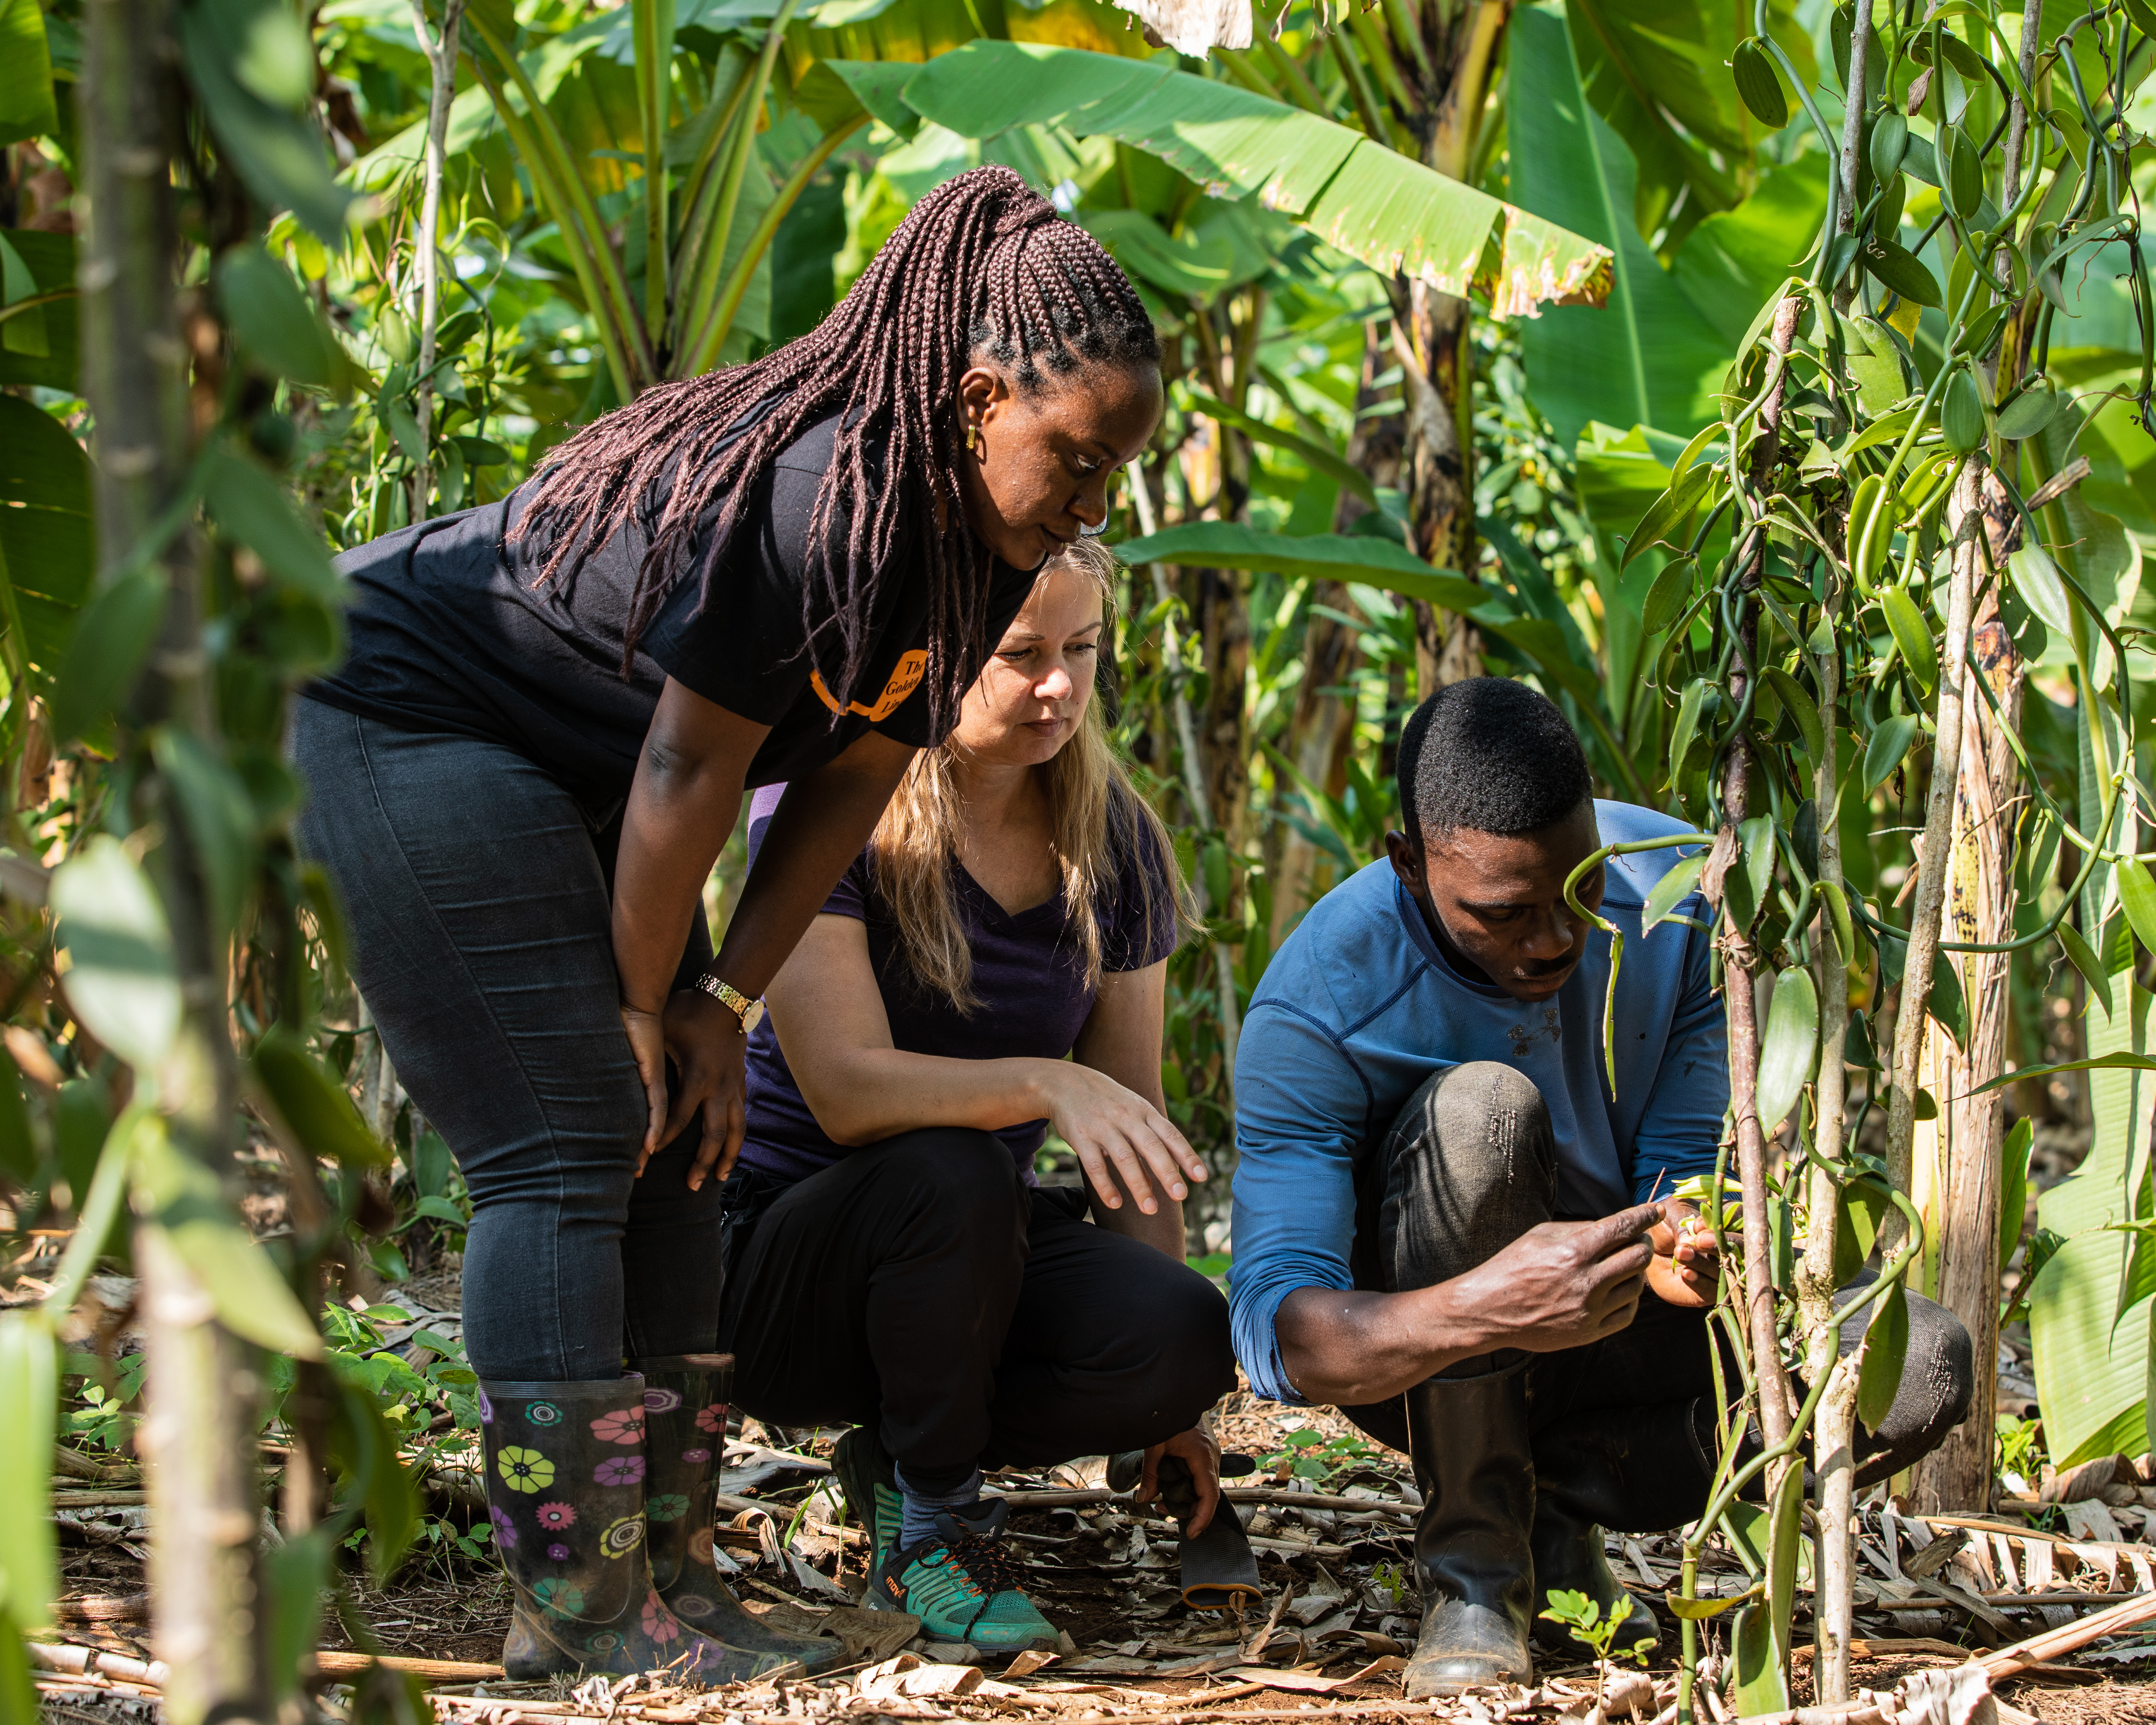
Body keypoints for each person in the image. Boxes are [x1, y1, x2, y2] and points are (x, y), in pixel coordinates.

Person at [290, 166, 1165, 1681]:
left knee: (684, 1139)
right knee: (571, 1133)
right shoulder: (829, 495)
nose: (1088, 508)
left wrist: (719, 1010)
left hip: (584, 762)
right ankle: (578, 1612)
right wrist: (645, 1011)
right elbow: (696, 768)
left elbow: (847, 779)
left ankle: (674, 1578)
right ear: (972, 401)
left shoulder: (963, 551)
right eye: (1072, 462)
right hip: (398, 705)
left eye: (1109, 482)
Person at [1227, 678, 1975, 1698]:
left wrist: (1689, 1246)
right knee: (1479, 1114)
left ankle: (1556, 1508)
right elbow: (1280, 1336)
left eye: (1581, 891)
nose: (1553, 940)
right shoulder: (1320, 1003)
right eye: (1506, 914)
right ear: (1408, 866)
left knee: (1921, 1363)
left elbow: (1688, 1177)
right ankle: (1477, 1573)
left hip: (1614, 1339)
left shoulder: (1684, 897)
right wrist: (1484, 1309)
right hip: (1429, 1353)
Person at [717, 535, 1236, 1653]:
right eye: (1018, 653)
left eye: (1082, 648)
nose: (1058, 684)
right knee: (944, 1167)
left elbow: (1128, 1127)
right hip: (787, 1263)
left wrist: (1172, 1413)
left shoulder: (1118, 843)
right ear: (935, 651)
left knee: (1182, 1330)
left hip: (965, 1269)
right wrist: (1046, 1082)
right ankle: (934, 1531)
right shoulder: (821, 798)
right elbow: (849, 1093)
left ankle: (905, 1456)